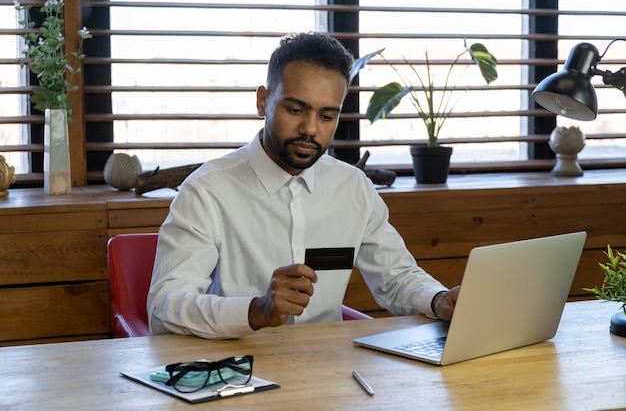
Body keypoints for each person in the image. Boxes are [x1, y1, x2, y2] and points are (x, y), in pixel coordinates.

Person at [147, 32, 460, 339]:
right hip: (238, 369)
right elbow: (165, 305)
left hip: (331, 370)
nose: (310, 129)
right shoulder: (207, 190)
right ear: (263, 101)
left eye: (327, 116)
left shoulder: (352, 187)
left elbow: (396, 276)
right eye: (295, 110)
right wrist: (256, 311)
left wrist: (437, 299)